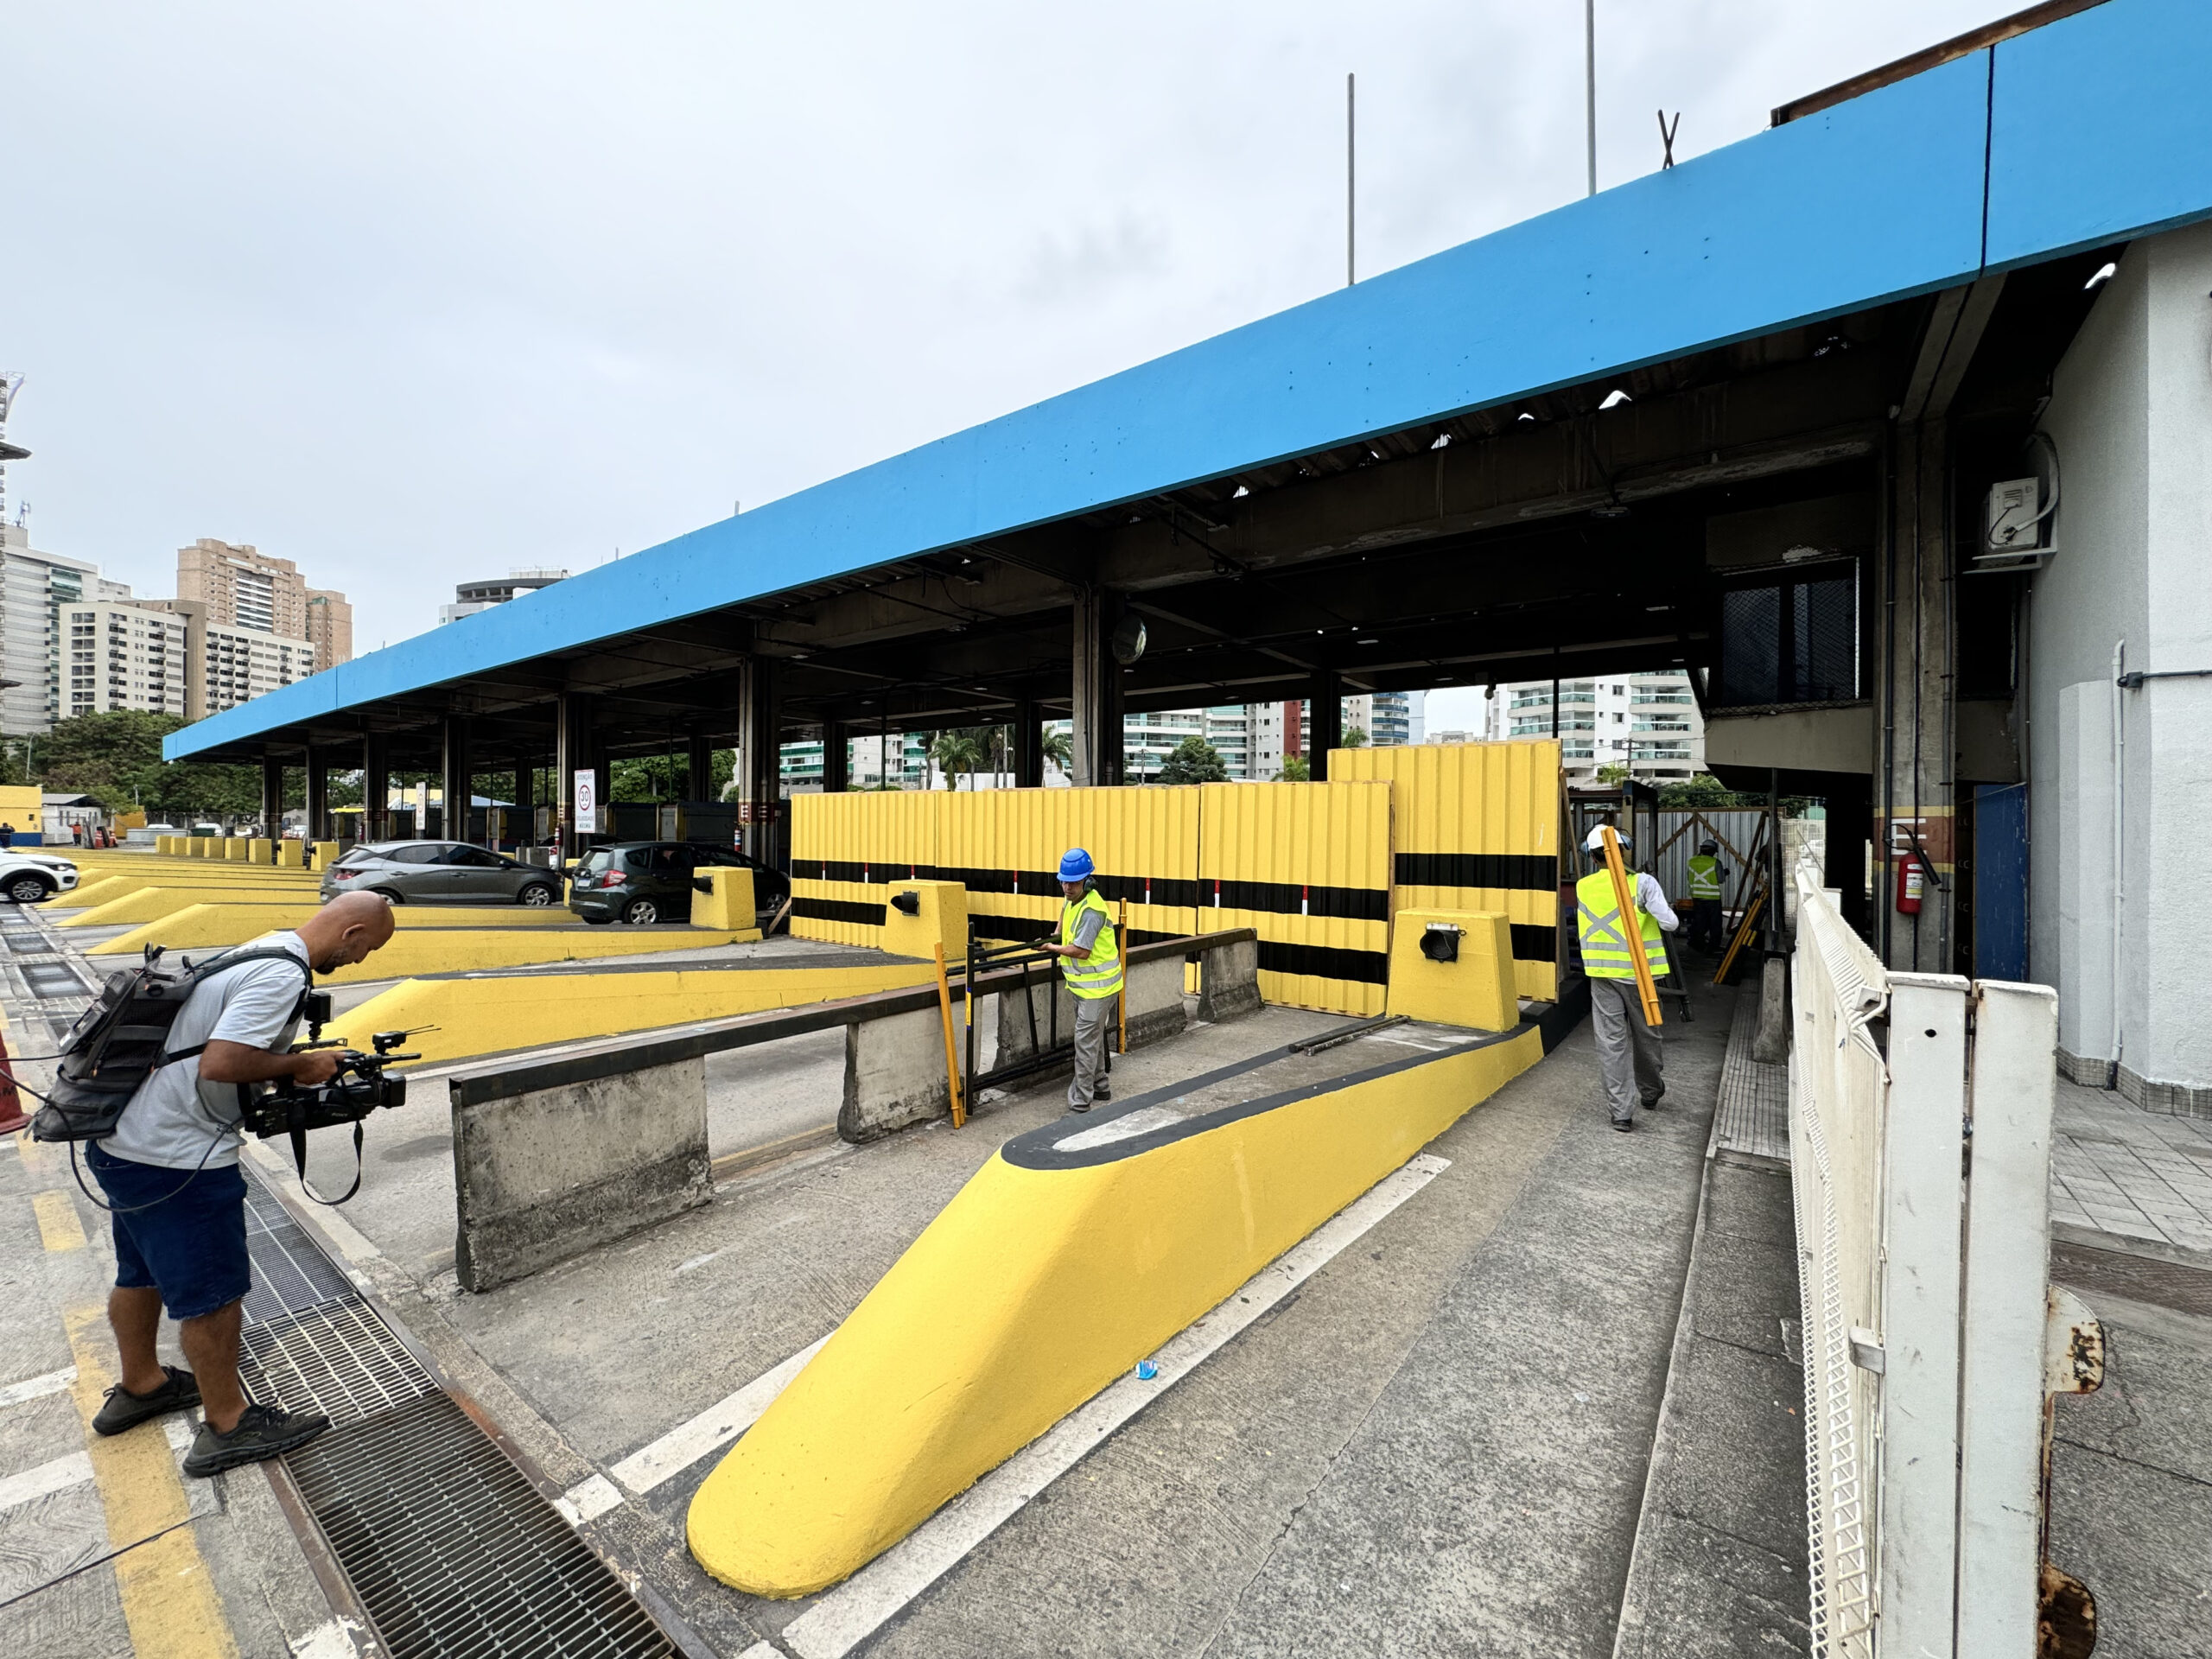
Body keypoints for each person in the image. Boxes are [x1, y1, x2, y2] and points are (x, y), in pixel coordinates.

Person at [85, 891, 397, 1477]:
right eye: (367, 949)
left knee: (141, 1272)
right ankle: (228, 1425)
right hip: (178, 1159)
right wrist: (299, 1065)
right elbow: (222, 1063)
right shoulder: (283, 975)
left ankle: (142, 1384)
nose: (361, 961)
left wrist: (285, 1062)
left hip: (124, 1141)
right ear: (351, 932)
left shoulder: (264, 948)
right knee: (213, 1293)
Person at [1576, 825, 1679, 1133]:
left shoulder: (1584, 886)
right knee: (1647, 1036)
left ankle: (1620, 1113)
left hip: (1601, 975)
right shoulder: (1643, 883)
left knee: (1611, 1043)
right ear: (1623, 850)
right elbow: (1670, 924)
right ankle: (1650, 1091)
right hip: (1639, 978)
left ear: (1592, 857)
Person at [1041, 847, 1122, 1114]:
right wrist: (1055, 934)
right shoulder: (1072, 899)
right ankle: (1100, 1085)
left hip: (1099, 988)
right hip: (1086, 986)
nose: (1067, 887)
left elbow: (1081, 951)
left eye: (1074, 882)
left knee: (1085, 1042)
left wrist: (1052, 948)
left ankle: (1080, 1100)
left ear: (1087, 881)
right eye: (1064, 881)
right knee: (1092, 1037)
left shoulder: (1092, 911)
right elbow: (1064, 916)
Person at [1686, 839, 1728, 954]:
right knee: (1715, 923)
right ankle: (1713, 946)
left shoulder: (1692, 861)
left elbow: (1689, 877)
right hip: (1712, 898)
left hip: (1697, 897)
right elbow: (1720, 879)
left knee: (1700, 922)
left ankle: (1697, 944)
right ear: (1713, 851)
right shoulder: (1715, 862)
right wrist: (1724, 872)